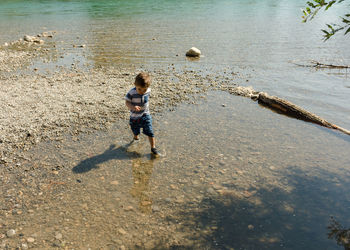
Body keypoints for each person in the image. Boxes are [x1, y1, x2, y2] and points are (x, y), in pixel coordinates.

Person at [125, 72, 159, 155]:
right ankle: (136, 138)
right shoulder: (131, 93)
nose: (142, 92)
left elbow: (146, 98)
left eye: (144, 90)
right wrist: (133, 107)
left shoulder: (148, 90)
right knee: (135, 130)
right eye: (139, 89)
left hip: (145, 114)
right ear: (134, 85)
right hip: (134, 117)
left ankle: (153, 147)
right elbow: (127, 102)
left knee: (150, 131)